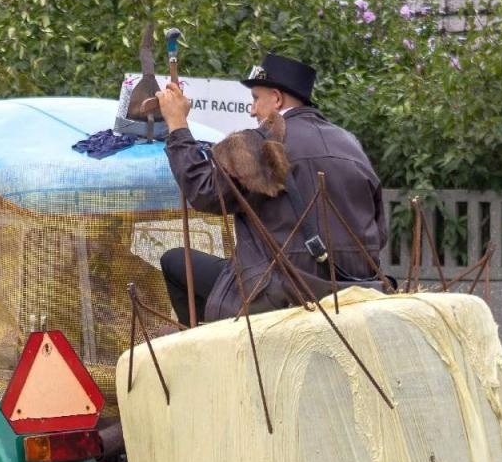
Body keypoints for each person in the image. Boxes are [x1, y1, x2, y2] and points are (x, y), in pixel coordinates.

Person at [156, 53, 387, 324]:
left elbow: (204, 192)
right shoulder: (351, 145)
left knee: (175, 261)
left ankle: (210, 353)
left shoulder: (262, 143)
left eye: (255, 99)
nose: (252, 110)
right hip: (356, 290)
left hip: (281, 292)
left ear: (277, 99)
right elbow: (379, 233)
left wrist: (177, 126)